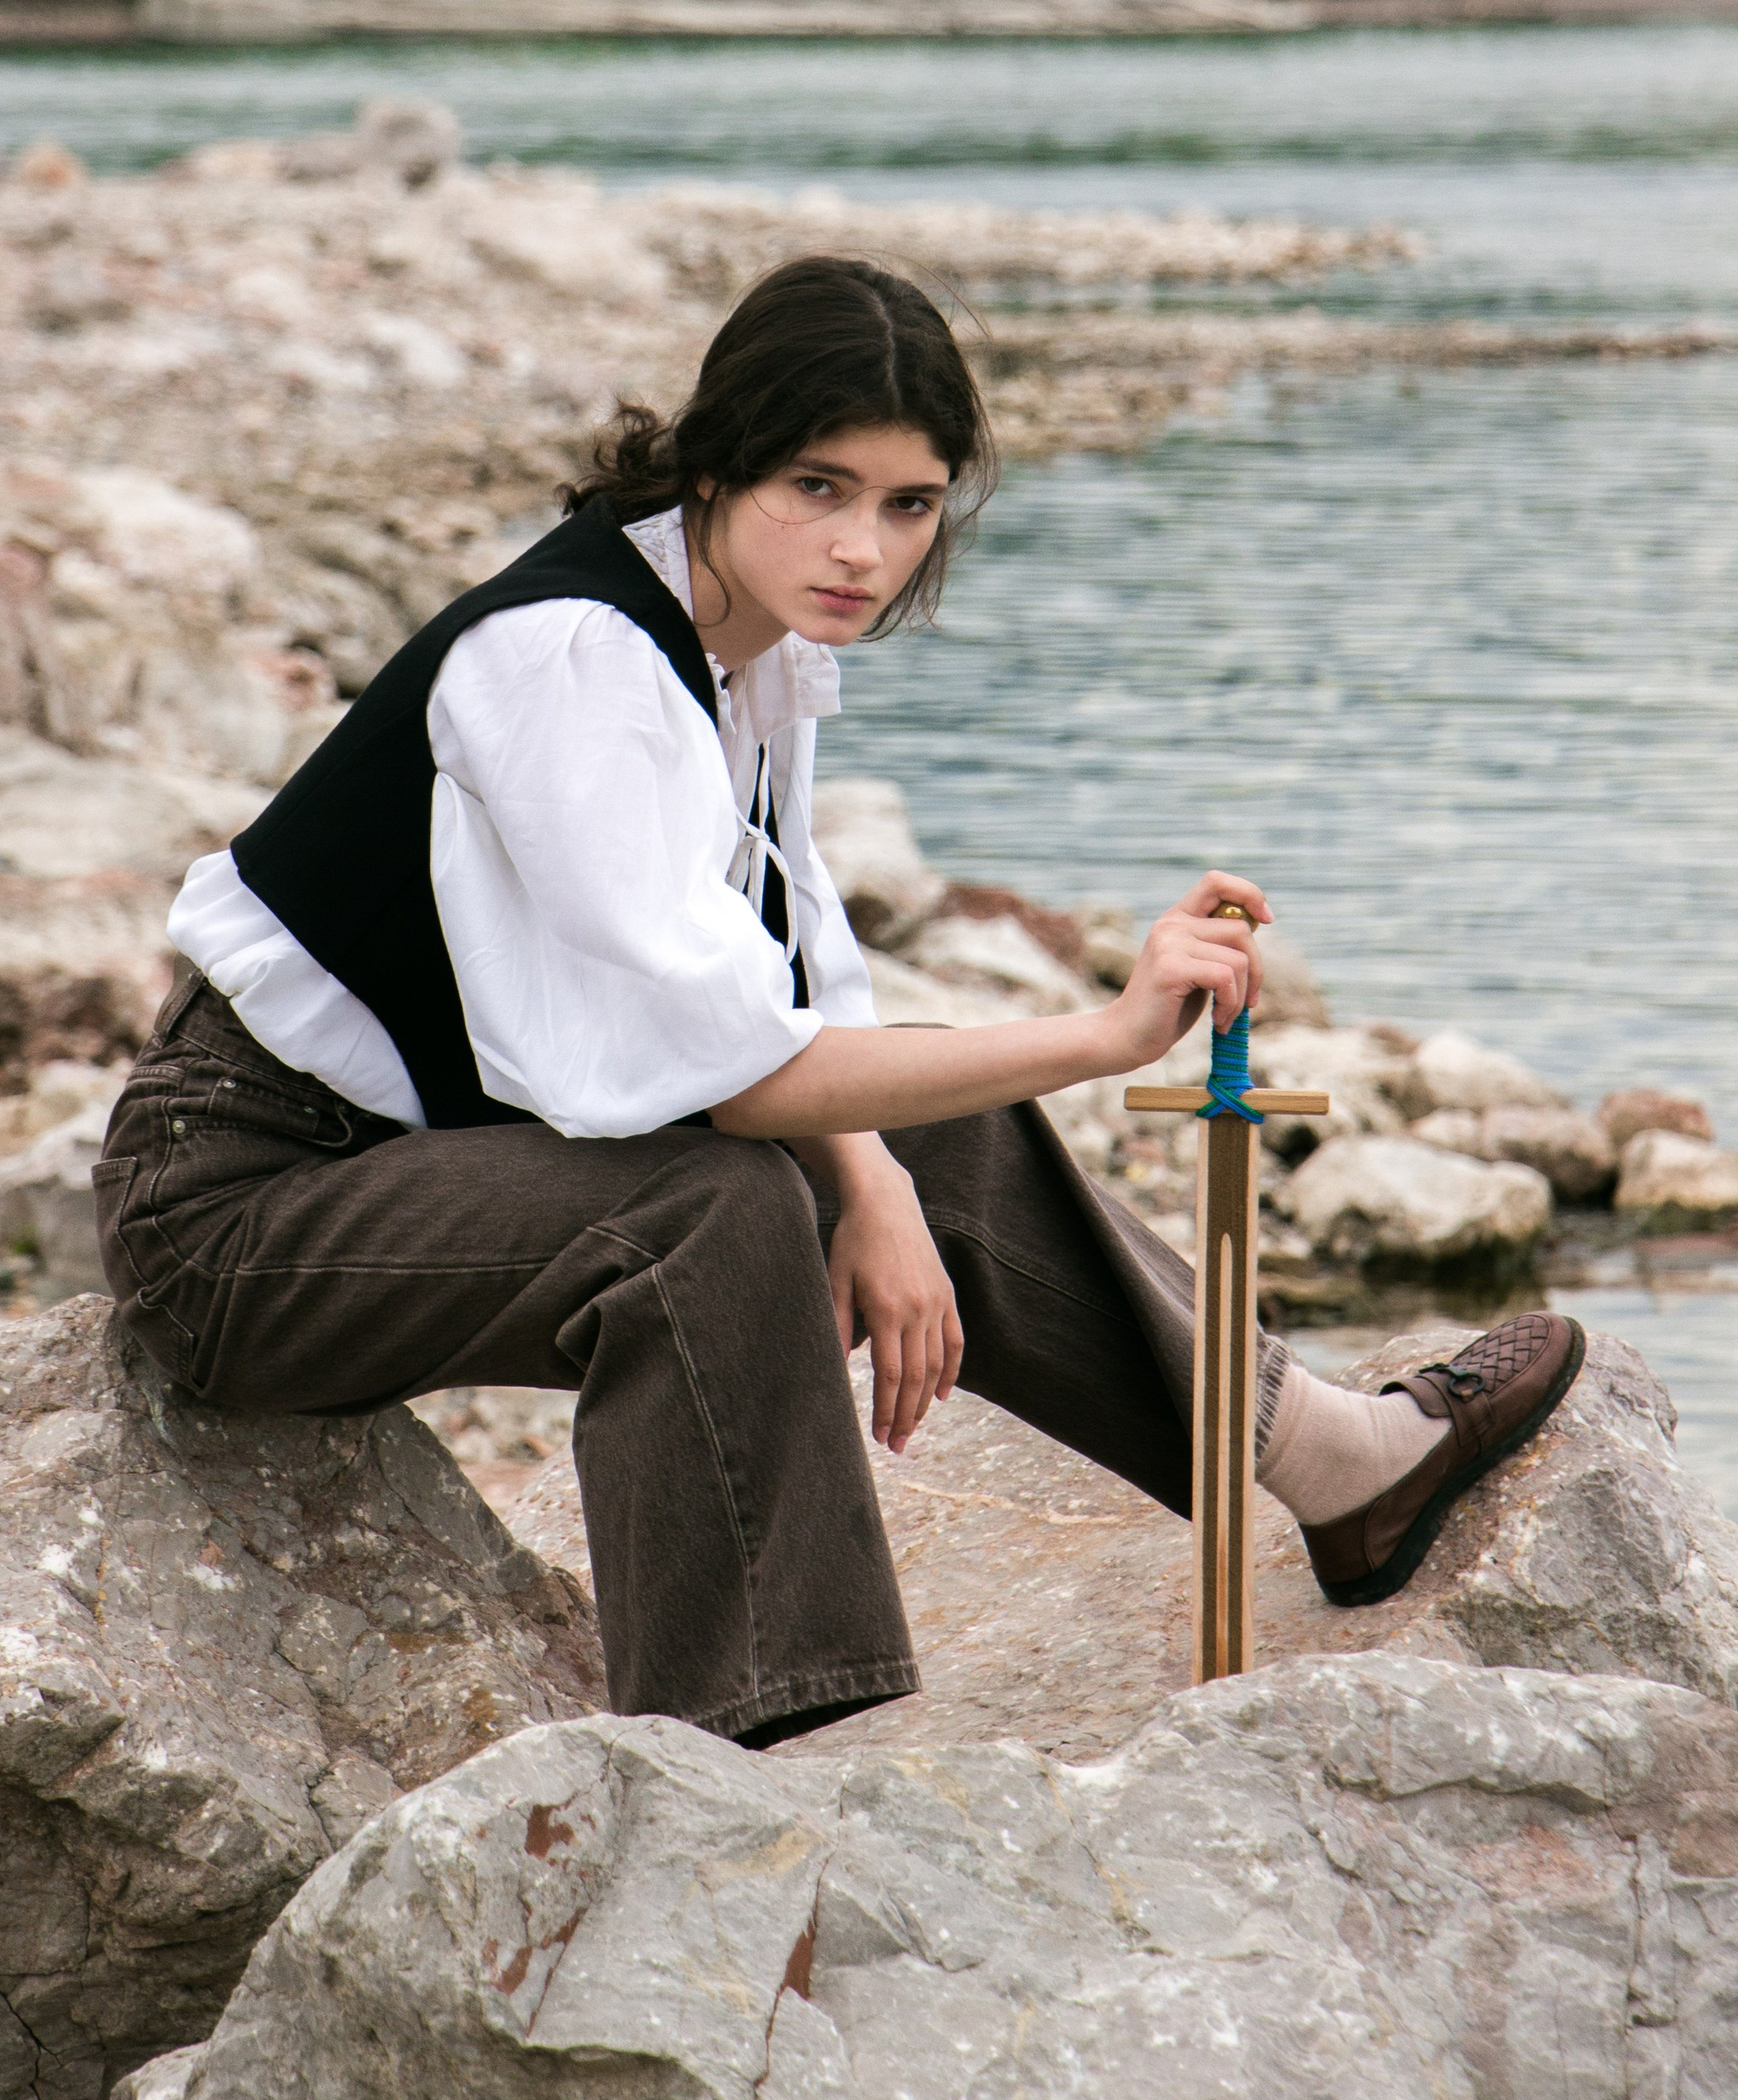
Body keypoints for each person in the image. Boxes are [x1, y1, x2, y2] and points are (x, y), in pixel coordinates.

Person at [95, 254, 1582, 1747]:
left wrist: (877, 1189)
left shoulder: (748, 653)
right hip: (240, 1211)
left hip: (414, 1168)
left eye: (909, 504)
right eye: (819, 487)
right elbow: (741, 1082)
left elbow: (794, 988)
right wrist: (1112, 1038)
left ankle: (1339, 1466)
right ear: (721, 459)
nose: (862, 549)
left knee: (919, 1122)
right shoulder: (571, 661)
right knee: (710, 1207)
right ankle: (755, 1759)